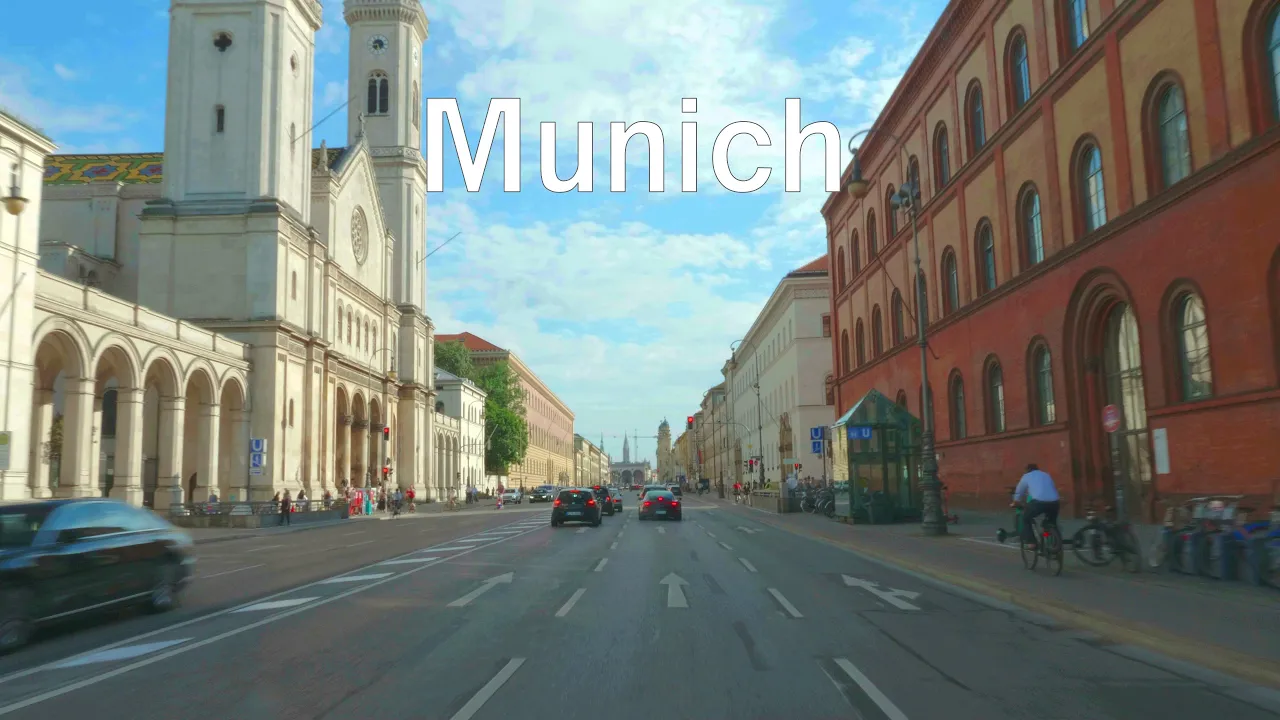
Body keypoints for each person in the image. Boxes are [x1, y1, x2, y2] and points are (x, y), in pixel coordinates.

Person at [1012, 463, 1060, 547]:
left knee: (1026, 518)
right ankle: (1053, 540)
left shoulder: (1026, 476)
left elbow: (1019, 491)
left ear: (1027, 470)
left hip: (1038, 502)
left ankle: (1032, 543)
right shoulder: (1046, 475)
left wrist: (1016, 502)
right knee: (1051, 522)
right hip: (1054, 502)